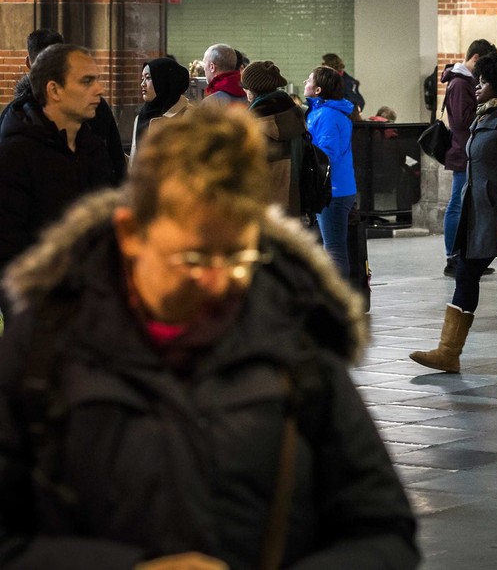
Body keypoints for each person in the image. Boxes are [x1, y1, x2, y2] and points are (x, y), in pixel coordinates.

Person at [0, 105, 419, 568]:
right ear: (131, 233)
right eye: (194, 259)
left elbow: (382, 530)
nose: (219, 283)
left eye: (238, 257)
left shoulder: (292, 339)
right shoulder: (45, 347)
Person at [409, 53, 497, 376]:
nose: (477, 85)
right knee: (465, 274)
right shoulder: (485, 116)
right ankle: (448, 352)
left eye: (485, 81)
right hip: (483, 222)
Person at [0, 44, 117, 289]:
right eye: (86, 81)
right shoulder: (15, 153)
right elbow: (8, 244)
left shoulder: (93, 148)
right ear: (54, 90)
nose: (99, 89)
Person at [0, 29, 126, 183]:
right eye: (85, 81)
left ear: (28, 62)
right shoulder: (17, 136)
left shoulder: (92, 134)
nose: (99, 90)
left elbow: (114, 169)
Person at [442, 39, 497, 277]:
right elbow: (461, 121)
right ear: (475, 58)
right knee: (456, 204)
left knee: (467, 204)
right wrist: (486, 103)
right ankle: (452, 256)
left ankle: (470, 254)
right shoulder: (459, 83)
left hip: (471, 151)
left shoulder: (468, 82)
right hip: (463, 152)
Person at [305, 65, 357, 276]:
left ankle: (339, 303)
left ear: (318, 90)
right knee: (326, 247)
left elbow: (326, 153)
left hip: (333, 190)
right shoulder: (326, 112)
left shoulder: (327, 115)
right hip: (336, 187)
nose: (305, 83)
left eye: (309, 80)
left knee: (334, 251)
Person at [244, 60, 306, 215]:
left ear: (253, 89)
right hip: (294, 199)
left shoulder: (253, 123)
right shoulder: (296, 115)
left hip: (264, 205)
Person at [131, 56, 192, 158]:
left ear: (163, 80)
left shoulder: (188, 116)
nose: (142, 84)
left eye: (148, 78)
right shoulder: (140, 117)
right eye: (142, 79)